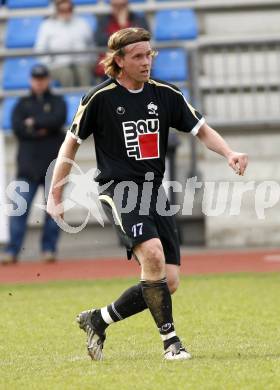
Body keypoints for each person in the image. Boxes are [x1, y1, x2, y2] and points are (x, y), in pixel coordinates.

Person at [47, 28, 248, 360]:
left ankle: (99, 318)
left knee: (167, 282)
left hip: (155, 192)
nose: (146, 62)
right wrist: (56, 195)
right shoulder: (100, 98)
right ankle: (171, 344)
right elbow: (70, 143)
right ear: (120, 61)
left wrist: (228, 153)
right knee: (152, 254)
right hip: (119, 190)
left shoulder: (166, 94)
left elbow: (201, 129)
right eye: (138, 56)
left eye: (149, 54)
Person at [1, 64, 66, 265]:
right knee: (19, 211)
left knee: (53, 212)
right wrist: (42, 126)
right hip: (27, 168)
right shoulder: (22, 104)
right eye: (36, 79)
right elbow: (19, 128)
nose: (39, 82)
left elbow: (57, 120)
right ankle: (12, 251)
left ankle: (49, 249)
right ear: (31, 80)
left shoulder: (58, 101)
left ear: (48, 80)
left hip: (52, 169)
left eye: (43, 78)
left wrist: (34, 123)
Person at [35, 0, 94, 87]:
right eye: (62, 10)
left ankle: (87, 100)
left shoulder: (82, 23)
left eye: (69, 9)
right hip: (57, 65)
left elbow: (91, 45)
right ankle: (70, 99)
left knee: (83, 73)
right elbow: (40, 49)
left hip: (82, 63)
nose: (66, 13)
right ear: (56, 10)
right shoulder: (47, 25)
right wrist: (50, 64)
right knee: (66, 74)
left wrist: (89, 61)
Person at [94, 0, 149, 79]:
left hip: (135, 61)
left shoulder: (138, 19)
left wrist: (123, 25)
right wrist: (123, 29)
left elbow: (143, 38)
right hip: (111, 63)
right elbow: (100, 40)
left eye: (122, 6)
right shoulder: (104, 20)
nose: (119, 9)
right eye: (115, 6)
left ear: (127, 5)